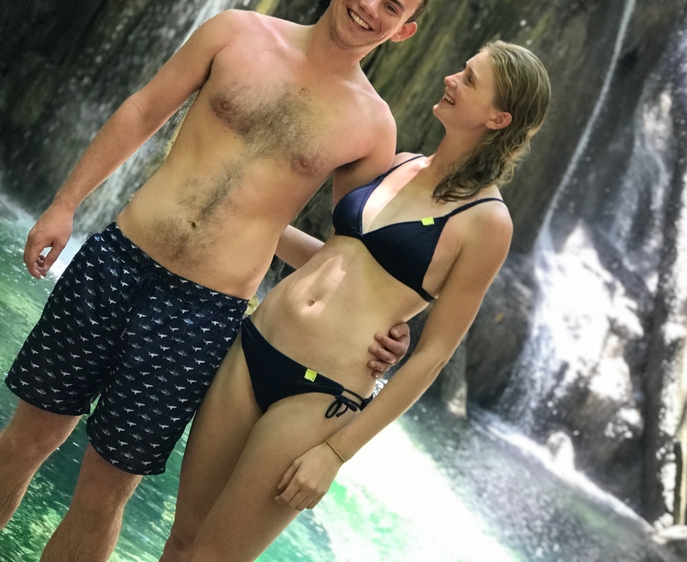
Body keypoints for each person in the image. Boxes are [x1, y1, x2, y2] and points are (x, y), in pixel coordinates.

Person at [0, 0, 434, 562]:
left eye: (391, 6)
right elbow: (144, 111)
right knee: (23, 442)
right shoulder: (238, 32)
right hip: (118, 260)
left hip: (201, 314)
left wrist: (382, 322)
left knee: (102, 493)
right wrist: (65, 203)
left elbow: (349, 253)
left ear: (403, 30)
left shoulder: (372, 126)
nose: (370, 7)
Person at [160, 40, 551, 562]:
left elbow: (433, 355)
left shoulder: (487, 223)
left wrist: (336, 453)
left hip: (320, 396)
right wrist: (249, 215)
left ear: (499, 118)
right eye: (462, 67)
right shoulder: (402, 163)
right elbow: (341, 262)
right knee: (182, 540)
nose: (451, 78)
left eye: (471, 80)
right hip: (253, 345)